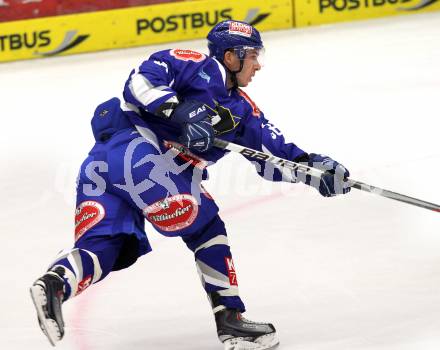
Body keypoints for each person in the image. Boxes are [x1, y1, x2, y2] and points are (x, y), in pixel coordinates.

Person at [30, 20, 351, 350]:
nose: (258, 65)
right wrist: (179, 111)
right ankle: (230, 321)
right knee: (207, 225)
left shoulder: (244, 112)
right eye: (253, 56)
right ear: (230, 56)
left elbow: (273, 157)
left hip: (103, 171)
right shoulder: (191, 63)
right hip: (135, 153)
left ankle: (55, 284)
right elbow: (139, 82)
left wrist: (315, 170)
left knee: (109, 247)